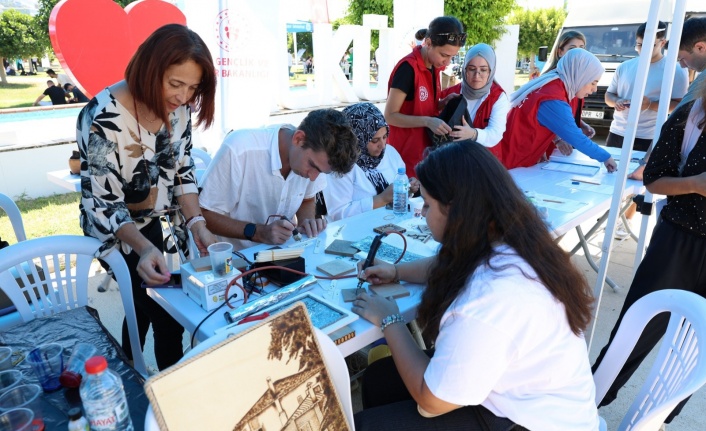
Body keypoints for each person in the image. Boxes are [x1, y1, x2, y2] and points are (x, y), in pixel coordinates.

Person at [352, 142, 599, 430]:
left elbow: (430, 401)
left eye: (428, 205)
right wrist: (395, 271)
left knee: (366, 424)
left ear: (456, 211)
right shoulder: (512, 239)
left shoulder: (488, 296)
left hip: (525, 421)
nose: (422, 213)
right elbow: (448, 266)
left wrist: (389, 320)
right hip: (523, 393)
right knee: (379, 379)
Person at [77, 23, 218, 370]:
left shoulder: (179, 111)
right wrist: (143, 247)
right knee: (149, 310)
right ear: (150, 68)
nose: (183, 97)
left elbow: (183, 172)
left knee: (167, 313)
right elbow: (103, 203)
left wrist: (197, 222)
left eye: (193, 88)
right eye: (175, 84)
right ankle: (140, 375)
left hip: (166, 225)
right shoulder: (102, 118)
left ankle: (163, 378)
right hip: (118, 231)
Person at [591, 69, 706, 428]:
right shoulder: (691, 117)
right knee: (635, 330)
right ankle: (590, 399)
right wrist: (696, 185)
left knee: (692, 350)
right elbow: (654, 180)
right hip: (678, 240)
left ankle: (654, 419)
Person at [198, 109, 358, 251]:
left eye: (322, 172)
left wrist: (307, 222)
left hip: (282, 255)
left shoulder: (313, 158)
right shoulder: (240, 149)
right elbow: (203, 214)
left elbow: (307, 199)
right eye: (312, 166)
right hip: (233, 261)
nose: (313, 177)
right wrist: (258, 232)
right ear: (298, 139)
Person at [605, 21, 688, 238]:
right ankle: (610, 218)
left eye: (649, 45)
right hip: (618, 131)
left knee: (637, 182)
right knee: (611, 177)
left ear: (663, 42)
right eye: (639, 45)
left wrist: (650, 104)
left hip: (649, 136)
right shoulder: (626, 66)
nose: (642, 50)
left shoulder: (675, 70)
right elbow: (609, 96)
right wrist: (617, 102)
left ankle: (625, 221)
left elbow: (680, 104)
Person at [498, 48, 617, 171]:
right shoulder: (553, 98)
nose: (595, 89)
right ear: (580, 75)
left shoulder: (552, 84)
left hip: (513, 157)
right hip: (510, 162)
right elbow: (575, 137)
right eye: (593, 83)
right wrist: (605, 157)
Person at [385, 16, 466, 177]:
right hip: (404, 159)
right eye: (444, 55)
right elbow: (390, 116)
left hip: (425, 154)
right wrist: (428, 121)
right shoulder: (408, 69)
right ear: (428, 43)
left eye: (452, 56)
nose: (448, 62)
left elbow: (420, 105)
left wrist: (442, 103)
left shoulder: (434, 66)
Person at [629, 17, 706, 181]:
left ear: (700, 47)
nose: (683, 65)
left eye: (682, 58)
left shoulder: (703, 79)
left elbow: (675, 118)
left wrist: (646, 163)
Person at [322, 103, 420, 221]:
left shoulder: (390, 153)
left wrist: (407, 189)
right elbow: (339, 214)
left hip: (393, 223)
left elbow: (399, 192)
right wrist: (381, 199)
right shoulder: (341, 164)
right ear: (357, 138)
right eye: (374, 140)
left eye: (385, 137)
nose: (382, 145)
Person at [439, 43, 510, 156]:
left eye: (483, 70)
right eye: (472, 69)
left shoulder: (498, 97)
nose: (477, 75)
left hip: (484, 162)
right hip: (451, 160)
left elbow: (496, 134)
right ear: (464, 69)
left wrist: (473, 134)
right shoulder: (449, 94)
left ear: (490, 72)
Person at [542, 31, 597, 156]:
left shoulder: (577, 78)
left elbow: (567, 110)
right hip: (551, 145)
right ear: (560, 52)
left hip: (567, 143)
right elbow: (547, 115)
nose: (578, 53)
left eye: (582, 48)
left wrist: (581, 123)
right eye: (572, 49)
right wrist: (558, 139)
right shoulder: (552, 80)